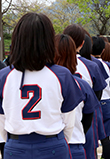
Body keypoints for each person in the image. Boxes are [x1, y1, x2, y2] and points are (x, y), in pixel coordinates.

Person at [0, 13, 84, 159]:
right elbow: (69, 121)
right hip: (52, 145)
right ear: (48, 41)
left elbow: (2, 121)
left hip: (16, 146)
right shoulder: (61, 75)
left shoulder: (4, 76)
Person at [54, 34, 100, 159]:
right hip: (75, 142)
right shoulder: (81, 84)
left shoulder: (43, 81)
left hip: (50, 145)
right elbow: (88, 119)